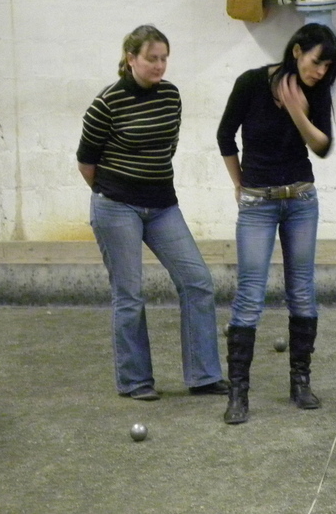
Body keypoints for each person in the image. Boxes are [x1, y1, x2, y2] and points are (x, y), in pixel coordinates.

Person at [76, 24, 227, 401]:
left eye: (164, 58)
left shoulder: (171, 96)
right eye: (151, 58)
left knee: (197, 281)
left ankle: (204, 375)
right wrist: (115, 192)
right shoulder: (106, 103)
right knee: (129, 294)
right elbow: (86, 163)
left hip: (162, 205)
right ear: (131, 59)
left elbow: (166, 147)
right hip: (116, 206)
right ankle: (135, 380)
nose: (159, 66)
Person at [216, 22, 336, 424]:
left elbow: (322, 146)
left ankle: (300, 381)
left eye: (327, 67)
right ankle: (238, 393)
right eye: (316, 62)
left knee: (301, 291)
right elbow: (224, 136)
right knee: (250, 294)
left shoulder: (315, 92)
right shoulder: (251, 83)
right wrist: (240, 184)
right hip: (259, 203)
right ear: (297, 50)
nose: (320, 72)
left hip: (301, 199)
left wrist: (297, 112)